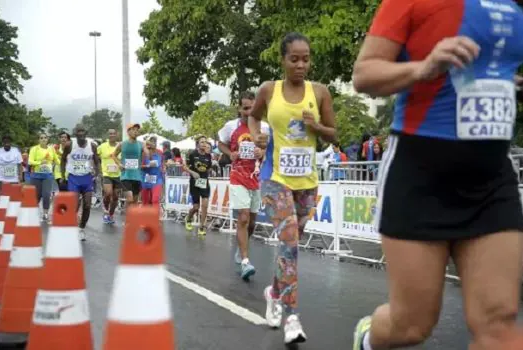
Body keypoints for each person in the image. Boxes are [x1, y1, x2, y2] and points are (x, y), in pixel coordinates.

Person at [351, 1, 523, 349]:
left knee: (499, 326)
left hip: (491, 179)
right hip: (420, 175)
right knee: (412, 325)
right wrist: (424, 67)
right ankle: (368, 339)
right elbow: (364, 76)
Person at [248, 32, 336, 344]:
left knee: (290, 246)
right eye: (294, 59)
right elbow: (253, 117)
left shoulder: (321, 92)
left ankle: (273, 292)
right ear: (283, 60)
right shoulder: (269, 90)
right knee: (290, 245)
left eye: (306, 59)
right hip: (275, 179)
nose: (301, 65)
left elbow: (335, 136)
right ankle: (292, 318)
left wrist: (317, 128)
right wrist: (257, 135)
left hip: (307, 183)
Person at [218, 91, 269, 281]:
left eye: (253, 108)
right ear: (240, 108)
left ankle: (241, 250)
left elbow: (269, 149)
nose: (249, 112)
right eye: (246, 108)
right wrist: (229, 153)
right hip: (237, 177)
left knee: (252, 222)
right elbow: (220, 143)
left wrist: (261, 151)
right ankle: (246, 261)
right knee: (244, 217)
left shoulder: (264, 127)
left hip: (256, 178)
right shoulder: (231, 127)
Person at [61, 125, 99, 241]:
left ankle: (81, 228)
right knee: (74, 204)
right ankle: (70, 224)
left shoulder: (92, 146)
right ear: (75, 134)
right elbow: (63, 160)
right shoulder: (69, 145)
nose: (81, 134)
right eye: (79, 132)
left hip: (87, 178)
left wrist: (97, 174)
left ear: (86, 133)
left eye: (83, 132)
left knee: (87, 205)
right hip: (74, 178)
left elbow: (97, 161)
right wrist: (63, 175)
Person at [112, 124, 147, 207]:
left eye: (137, 130)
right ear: (128, 132)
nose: (136, 131)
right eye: (133, 129)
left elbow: (145, 155)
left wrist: (141, 163)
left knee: (134, 201)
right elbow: (113, 155)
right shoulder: (122, 144)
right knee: (130, 198)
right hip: (126, 176)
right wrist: (119, 164)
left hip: (137, 176)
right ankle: (128, 218)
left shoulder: (141, 144)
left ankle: (131, 218)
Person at [183, 135, 212, 236]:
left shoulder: (208, 156)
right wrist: (193, 173)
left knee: (205, 205)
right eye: (202, 142)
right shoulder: (192, 154)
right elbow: (184, 167)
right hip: (194, 183)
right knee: (196, 207)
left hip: (204, 182)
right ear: (197, 144)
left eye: (205, 142)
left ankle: (202, 227)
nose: (204, 144)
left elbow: (208, 168)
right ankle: (189, 218)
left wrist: (205, 175)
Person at [29, 133, 59, 222]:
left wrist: (65, 159)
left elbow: (56, 160)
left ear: (47, 139)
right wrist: (39, 163)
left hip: (47, 176)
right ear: (39, 140)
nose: (43, 139)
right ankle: (33, 212)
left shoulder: (51, 149)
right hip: (36, 176)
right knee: (36, 195)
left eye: (45, 138)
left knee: (46, 195)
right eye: (41, 138)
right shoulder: (34, 149)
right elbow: (30, 161)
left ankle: (45, 213)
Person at [97, 129, 121, 224]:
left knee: (115, 197)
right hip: (106, 174)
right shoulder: (102, 146)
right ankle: (106, 211)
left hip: (118, 175)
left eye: (113, 134)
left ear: (116, 135)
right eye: (110, 134)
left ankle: (110, 214)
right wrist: (98, 169)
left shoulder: (120, 146)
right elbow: (95, 156)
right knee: (108, 193)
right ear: (108, 135)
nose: (112, 135)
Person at [141, 136, 164, 207]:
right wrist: (148, 166)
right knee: (145, 202)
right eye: (152, 142)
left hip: (157, 179)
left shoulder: (160, 152)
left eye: (155, 142)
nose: (154, 144)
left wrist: (164, 168)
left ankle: (155, 217)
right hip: (146, 178)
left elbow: (163, 164)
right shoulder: (144, 153)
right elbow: (139, 166)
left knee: (155, 200)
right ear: (149, 143)